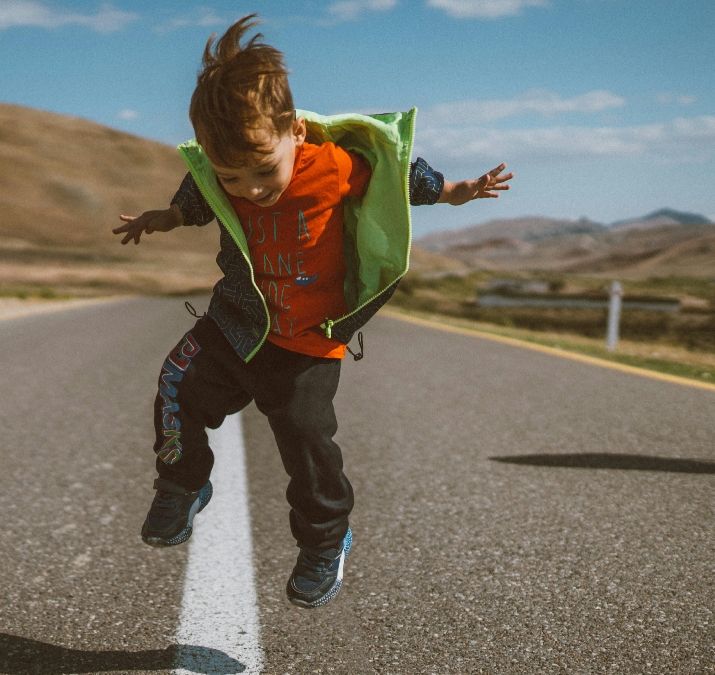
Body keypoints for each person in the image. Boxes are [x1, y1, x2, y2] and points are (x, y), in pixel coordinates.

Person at [112, 14, 512, 609]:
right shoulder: (223, 176)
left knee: (306, 446)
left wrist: (455, 191)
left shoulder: (334, 164)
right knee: (176, 385)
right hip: (236, 323)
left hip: (306, 342)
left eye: (262, 171)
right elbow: (197, 197)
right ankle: (182, 482)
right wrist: (163, 217)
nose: (248, 190)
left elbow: (398, 176)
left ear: (296, 131)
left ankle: (326, 541)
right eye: (231, 177)